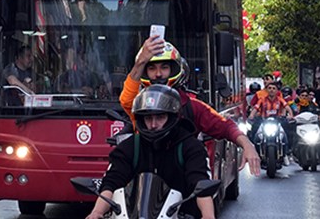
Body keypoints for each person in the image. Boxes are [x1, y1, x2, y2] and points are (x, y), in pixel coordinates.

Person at [121, 38, 261, 176]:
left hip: (182, 183)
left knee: (203, 196)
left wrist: (247, 144)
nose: (158, 74)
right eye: (152, 68)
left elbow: (224, 126)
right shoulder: (139, 104)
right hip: (143, 182)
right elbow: (126, 100)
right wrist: (140, 62)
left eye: (164, 67)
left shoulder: (192, 106)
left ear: (174, 69)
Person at [85, 85, 215, 219]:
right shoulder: (129, 147)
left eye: (160, 117)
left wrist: (208, 215)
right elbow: (112, 182)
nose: (153, 124)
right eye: (148, 118)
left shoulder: (191, 147)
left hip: (183, 215)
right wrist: (97, 212)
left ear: (172, 117)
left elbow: (200, 183)